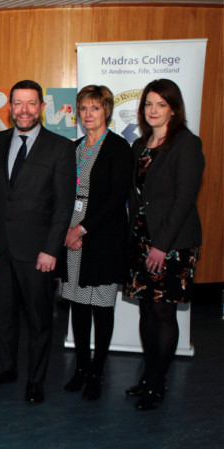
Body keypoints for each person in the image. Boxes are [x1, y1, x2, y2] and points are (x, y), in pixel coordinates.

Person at [0, 80, 74, 405]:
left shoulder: (60, 148)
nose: (24, 110)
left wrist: (51, 249)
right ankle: (5, 369)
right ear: (9, 107)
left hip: (38, 253)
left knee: (38, 319)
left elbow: (63, 206)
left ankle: (36, 379)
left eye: (31, 104)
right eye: (18, 103)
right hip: (1, 249)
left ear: (42, 107)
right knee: (1, 315)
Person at [124, 79, 204, 411]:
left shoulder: (186, 143)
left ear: (173, 107)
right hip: (141, 239)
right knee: (145, 307)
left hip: (172, 243)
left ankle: (158, 383)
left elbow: (184, 199)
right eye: (148, 104)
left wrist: (161, 245)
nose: (153, 110)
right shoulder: (139, 145)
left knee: (163, 310)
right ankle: (148, 376)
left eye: (160, 104)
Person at [57, 85, 133, 401]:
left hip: (102, 237)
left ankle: (97, 372)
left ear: (107, 111)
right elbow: (61, 192)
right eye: (84, 108)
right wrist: (65, 229)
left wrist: (82, 229)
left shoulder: (118, 148)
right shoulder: (73, 147)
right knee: (77, 304)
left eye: (95, 108)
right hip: (70, 232)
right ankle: (81, 368)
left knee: (100, 306)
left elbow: (117, 199)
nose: (88, 114)